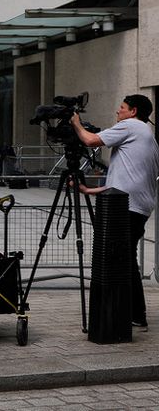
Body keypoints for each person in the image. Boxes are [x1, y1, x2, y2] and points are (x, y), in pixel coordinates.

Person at [72, 94, 159, 331]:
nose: (117, 112)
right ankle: (131, 313)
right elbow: (126, 180)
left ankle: (133, 314)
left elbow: (90, 140)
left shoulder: (131, 126)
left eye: (121, 108)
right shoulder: (146, 136)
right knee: (124, 258)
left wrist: (75, 122)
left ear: (133, 111)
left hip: (127, 207)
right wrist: (88, 189)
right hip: (133, 205)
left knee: (122, 261)